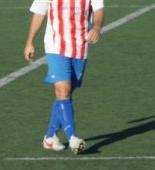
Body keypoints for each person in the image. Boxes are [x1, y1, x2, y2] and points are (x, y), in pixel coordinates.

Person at [24, 0, 104, 154]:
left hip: (80, 47)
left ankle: (49, 137)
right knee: (63, 89)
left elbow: (99, 10)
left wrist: (96, 27)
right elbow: (39, 13)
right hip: (56, 46)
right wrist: (30, 42)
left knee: (65, 95)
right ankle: (73, 137)